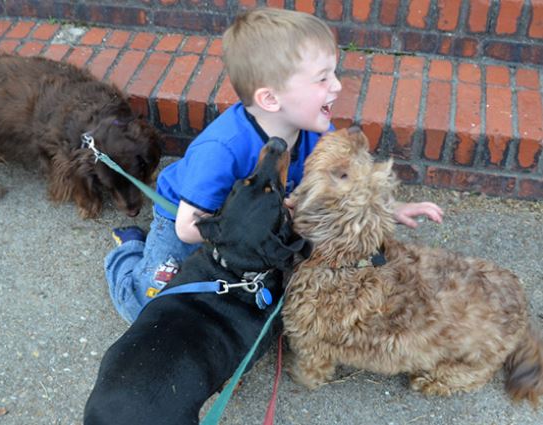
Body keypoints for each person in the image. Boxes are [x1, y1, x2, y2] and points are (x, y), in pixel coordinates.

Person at [104, 7, 443, 323]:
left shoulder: (316, 130)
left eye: (334, 73)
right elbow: (188, 228)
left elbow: (349, 179)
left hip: (256, 225)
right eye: (322, 79)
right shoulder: (221, 149)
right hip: (188, 214)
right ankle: (129, 251)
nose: (337, 86)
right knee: (152, 304)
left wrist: (390, 207)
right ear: (270, 98)